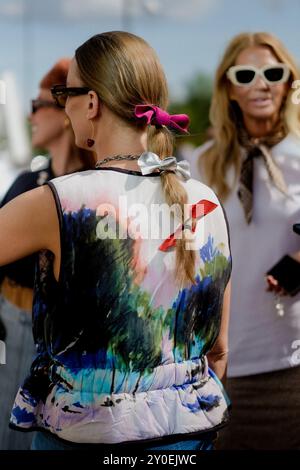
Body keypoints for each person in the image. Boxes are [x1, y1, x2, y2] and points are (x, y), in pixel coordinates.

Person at [0, 31, 232, 450]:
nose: (63, 106)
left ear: (91, 103)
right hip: (186, 435)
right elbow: (218, 348)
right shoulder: (206, 201)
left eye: (64, 92)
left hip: (84, 434)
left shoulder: (61, 201)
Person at [189, 32, 300, 449]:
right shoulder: (199, 164)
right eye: (246, 74)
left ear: (289, 82)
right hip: (214, 369)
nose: (261, 83)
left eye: (273, 72)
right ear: (229, 88)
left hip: (292, 362)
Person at [0, 58, 94, 450]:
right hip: (14, 321)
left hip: (68, 340)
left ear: (68, 108)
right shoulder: (27, 181)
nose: (30, 115)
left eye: (39, 104)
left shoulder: (95, 188)